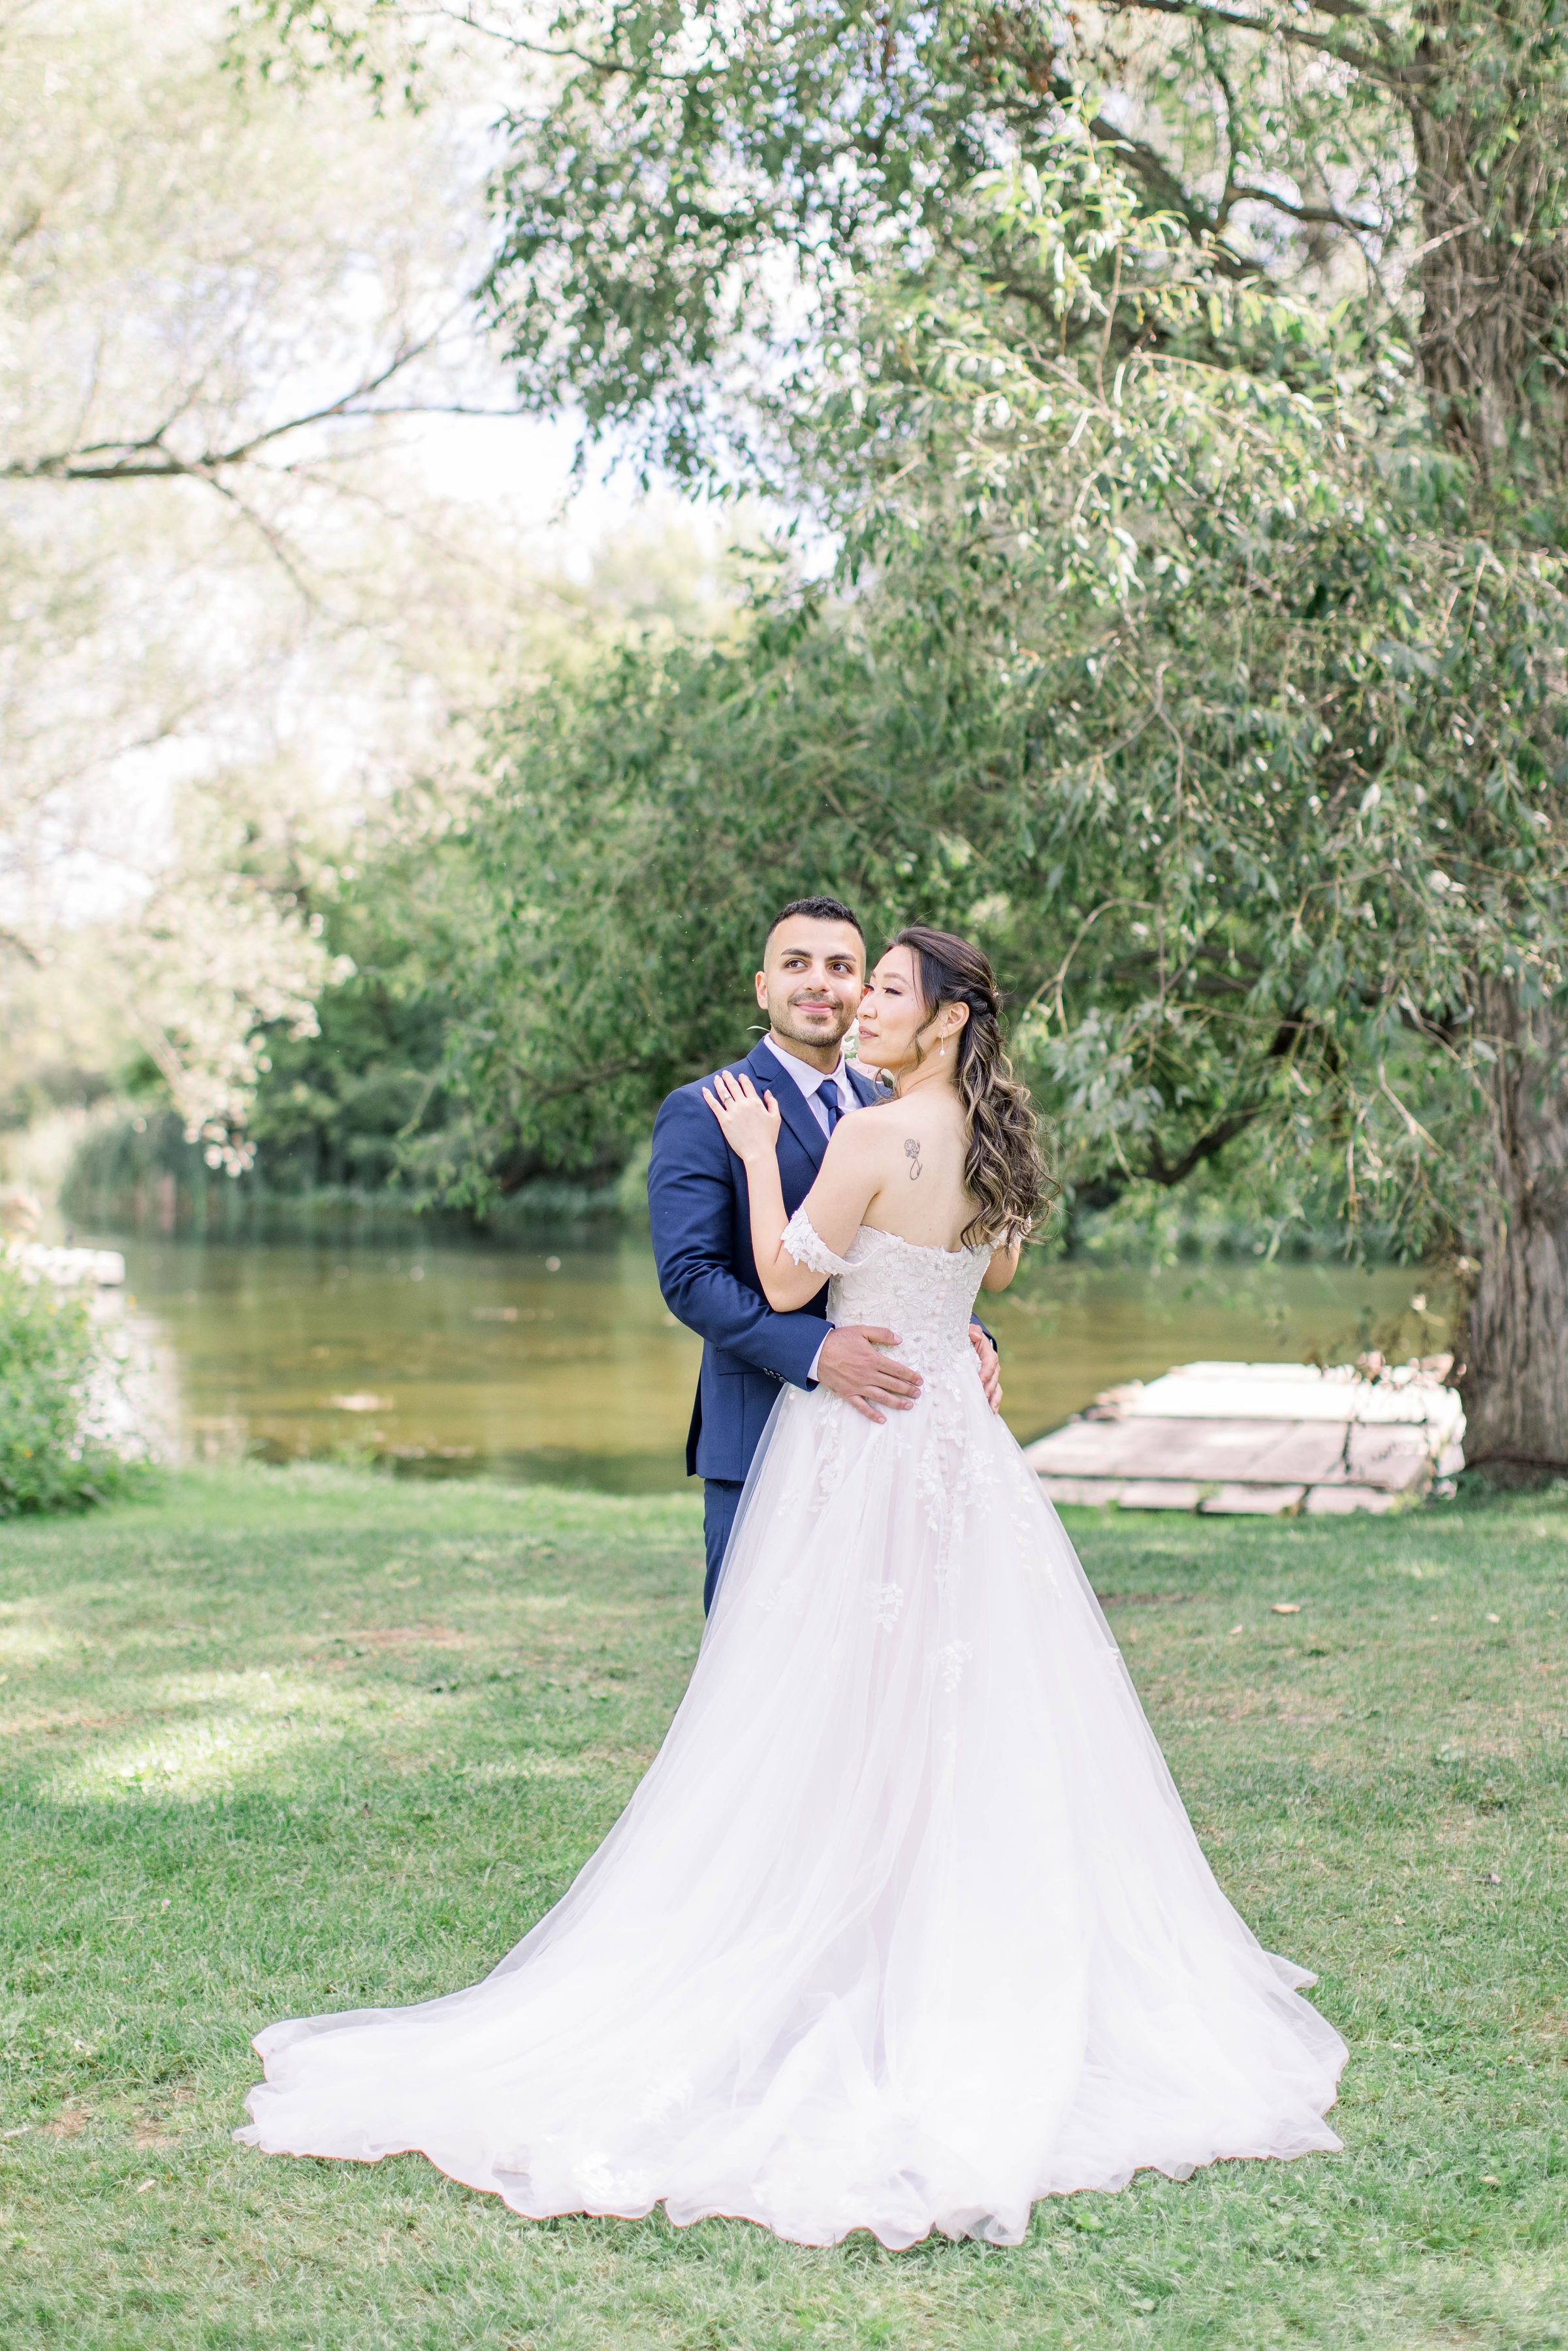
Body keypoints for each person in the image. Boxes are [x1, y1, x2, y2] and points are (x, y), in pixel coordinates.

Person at [237, 925, 1345, 2250]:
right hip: (929, 1459)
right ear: (768, 986)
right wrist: (898, 1332)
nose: (848, 994)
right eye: (823, 972)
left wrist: (792, 1185)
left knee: (859, 1710)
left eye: (875, 979)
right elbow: (739, 1283)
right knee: (885, 1710)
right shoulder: (930, 1130)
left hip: (869, 1460)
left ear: (937, 1017)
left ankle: (850, 1969)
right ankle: (887, 1957)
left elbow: (789, 1272)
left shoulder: (871, 1126)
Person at [647, 895, 999, 1610]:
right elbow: (691, 1279)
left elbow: (928, 1247)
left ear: (863, 988)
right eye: (796, 964)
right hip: (757, 1435)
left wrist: (966, 1333)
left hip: (899, 1438)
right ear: (763, 986)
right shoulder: (709, 1107)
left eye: (841, 968)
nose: (819, 982)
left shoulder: (896, 1100)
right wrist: (816, 1350)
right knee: (760, 1673)